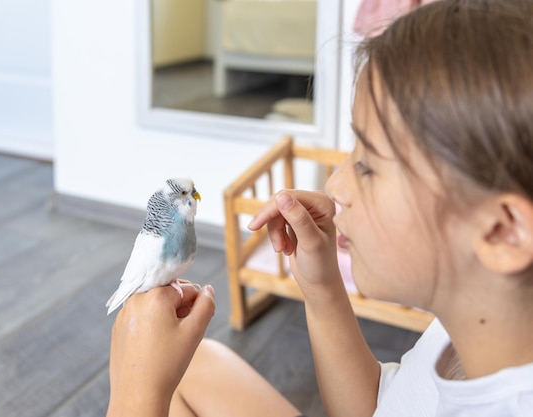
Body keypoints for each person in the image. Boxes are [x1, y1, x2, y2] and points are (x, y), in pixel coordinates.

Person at [106, 0, 533, 415]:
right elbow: (381, 407)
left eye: (367, 164)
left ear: (502, 231)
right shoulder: (474, 326)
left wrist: (134, 397)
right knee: (194, 365)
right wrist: (323, 286)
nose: (334, 183)